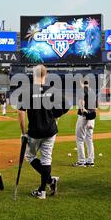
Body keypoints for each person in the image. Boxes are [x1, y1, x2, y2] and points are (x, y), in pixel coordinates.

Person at [18, 65, 69, 199]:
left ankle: (48, 182)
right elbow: (67, 105)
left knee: (30, 157)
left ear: (33, 75)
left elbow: (21, 113)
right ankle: (43, 189)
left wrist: (23, 132)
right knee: (46, 159)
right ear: (45, 75)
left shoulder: (27, 91)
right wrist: (55, 115)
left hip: (34, 132)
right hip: (50, 130)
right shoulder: (52, 90)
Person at [73, 80, 97, 167]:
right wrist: (91, 119)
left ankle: (81, 161)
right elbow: (95, 107)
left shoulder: (82, 90)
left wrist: (83, 109)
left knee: (79, 139)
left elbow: (82, 100)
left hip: (83, 116)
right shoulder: (93, 92)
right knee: (89, 139)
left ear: (82, 83)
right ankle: (90, 161)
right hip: (92, 117)